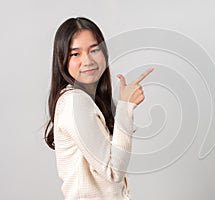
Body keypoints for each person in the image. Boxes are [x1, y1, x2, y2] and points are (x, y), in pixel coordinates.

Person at [44, 17, 154, 200]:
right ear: (62, 60)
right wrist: (126, 108)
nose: (88, 61)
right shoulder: (74, 102)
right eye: (75, 54)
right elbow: (113, 171)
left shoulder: (87, 99)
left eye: (94, 50)